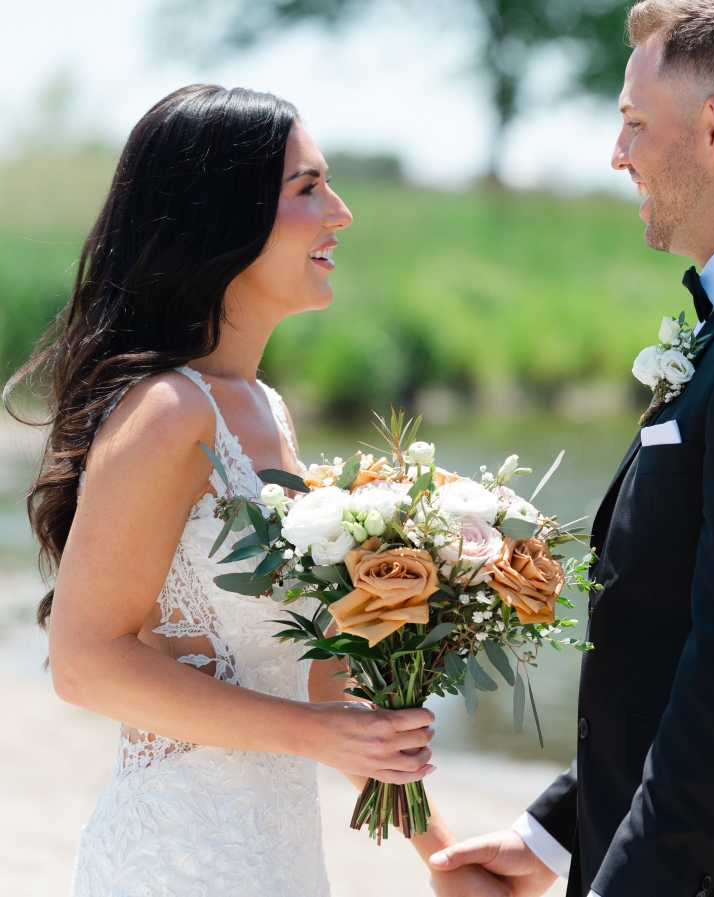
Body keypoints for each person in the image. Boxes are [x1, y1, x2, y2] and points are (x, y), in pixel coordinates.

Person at [426, 1, 714, 895]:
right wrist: (557, 832)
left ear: (713, 128)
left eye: (634, 122)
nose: (618, 153)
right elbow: (672, 638)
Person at [5, 84, 489, 896]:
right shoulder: (168, 412)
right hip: (175, 860)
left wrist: (444, 857)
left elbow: (317, 678)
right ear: (223, 216)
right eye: (308, 188)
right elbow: (83, 662)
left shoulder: (265, 410)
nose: (340, 212)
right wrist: (312, 735)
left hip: (279, 858)